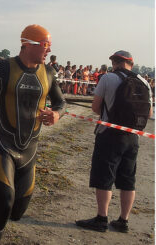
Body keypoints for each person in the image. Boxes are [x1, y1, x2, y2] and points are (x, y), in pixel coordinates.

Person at [0, 24, 66, 245]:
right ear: (27, 44)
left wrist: (57, 114)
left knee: (17, 211)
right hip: (3, 145)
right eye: (45, 45)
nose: (48, 50)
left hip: (30, 150)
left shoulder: (48, 73)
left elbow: (61, 103)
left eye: (49, 46)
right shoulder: (2, 67)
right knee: (6, 203)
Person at [76, 50, 153, 233]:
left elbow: (95, 107)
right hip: (132, 136)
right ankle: (123, 221)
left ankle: (102, 218)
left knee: (104, 177)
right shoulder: (144, 82)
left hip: (109, 133)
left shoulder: (107, 79)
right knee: (128, 179)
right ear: (131, 63)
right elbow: (148, 114)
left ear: (114, 63)